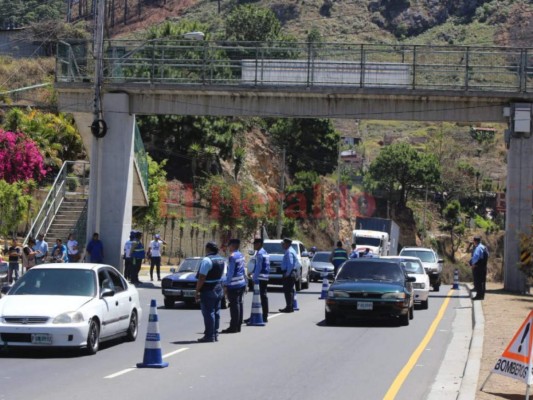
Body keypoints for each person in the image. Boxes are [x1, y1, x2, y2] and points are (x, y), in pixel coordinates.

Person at [195, 241, 225, 342]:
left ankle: (209, 335)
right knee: (216, 312)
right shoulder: (221, 259)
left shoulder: (207, 260)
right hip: (218, 287)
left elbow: (202, 277)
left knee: (208, 313)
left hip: (208, 289)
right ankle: (215, 333)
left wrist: (197, 290)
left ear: (207, 249)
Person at [222, 239, 246, 333]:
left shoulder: (232, 256)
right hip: (241, 283)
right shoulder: (241, 255)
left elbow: (230, 272)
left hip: (234, 284)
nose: (228, 247)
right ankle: (238, 325)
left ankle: (233, 327)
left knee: (234, 306)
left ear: (232, 246)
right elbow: (243, 269)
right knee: (239, 304)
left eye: (229, 245)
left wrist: (226, 284)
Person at [249, 237, 270, 322]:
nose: (254, 245)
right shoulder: (264, 252)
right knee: (263, 297)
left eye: (255, 244)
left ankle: (263, 316)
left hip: (260, 278)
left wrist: (254, 278)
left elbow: (259, 267)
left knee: (260, 297)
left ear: (259, 244)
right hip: (265, 277)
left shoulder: (260, 254)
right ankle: (263, 315)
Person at [279, 238, 298, 313]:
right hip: (291, 273)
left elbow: (290, 264)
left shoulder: (289, 252)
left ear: (287, 244)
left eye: (283, 244)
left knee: (287, 291)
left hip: (289, 274)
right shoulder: (291, 250)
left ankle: (289, 307)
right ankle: (290, 306)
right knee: (289, 290)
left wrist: (287, 274)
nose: (282, 245)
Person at [469, 235, 489, 300]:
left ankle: (478, 295)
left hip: (478, 267)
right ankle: (482, 296)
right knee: (483, 282)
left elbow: (475, 257)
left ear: (475, 241)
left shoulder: (478, 248)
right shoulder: (484, 247)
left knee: (477, 282)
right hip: (484, 267)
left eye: (473, 241)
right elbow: (488, 255)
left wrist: (472, 264)